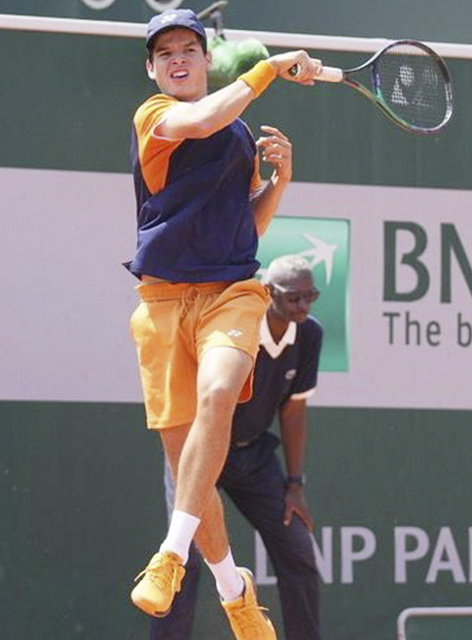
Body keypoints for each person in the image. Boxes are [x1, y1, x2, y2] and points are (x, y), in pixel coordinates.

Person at [125, 8, 322, 640]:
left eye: (189, 48)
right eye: (165, 54)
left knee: (218, 395)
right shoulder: (156, 117)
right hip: (160, 304)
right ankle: (235, 591)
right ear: (152, 69)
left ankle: (171, 554)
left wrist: (281, 181)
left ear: (207, 59)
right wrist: (268, 68)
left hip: (232, 294)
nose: (178, 59)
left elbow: (246, 229)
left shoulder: (238, 138)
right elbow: (203, 118)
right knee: (189, 462)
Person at [150, 255, 325, 640]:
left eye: (309, 295)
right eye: (294, 296)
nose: (303, 305)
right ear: (269, 292)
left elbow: (294, 411)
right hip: (199, 452)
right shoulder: (238, 324)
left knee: (298, 550)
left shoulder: (309, 334)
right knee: (185, 562)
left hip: (255, 456)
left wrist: (295, 484)